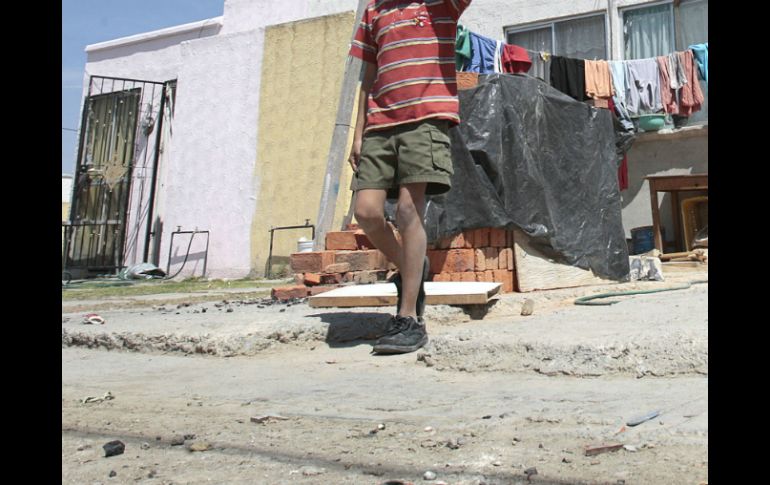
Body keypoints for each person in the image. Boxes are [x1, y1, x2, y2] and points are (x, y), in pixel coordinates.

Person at [347, 0, 471, 354]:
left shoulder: (441, 6)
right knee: (366, 211)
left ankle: (408, 318)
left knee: (407, 210)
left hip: (425, 121)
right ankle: (411, 266)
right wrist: (358, 132)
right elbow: (368, 74)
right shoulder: (374, 10)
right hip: (379, 124)